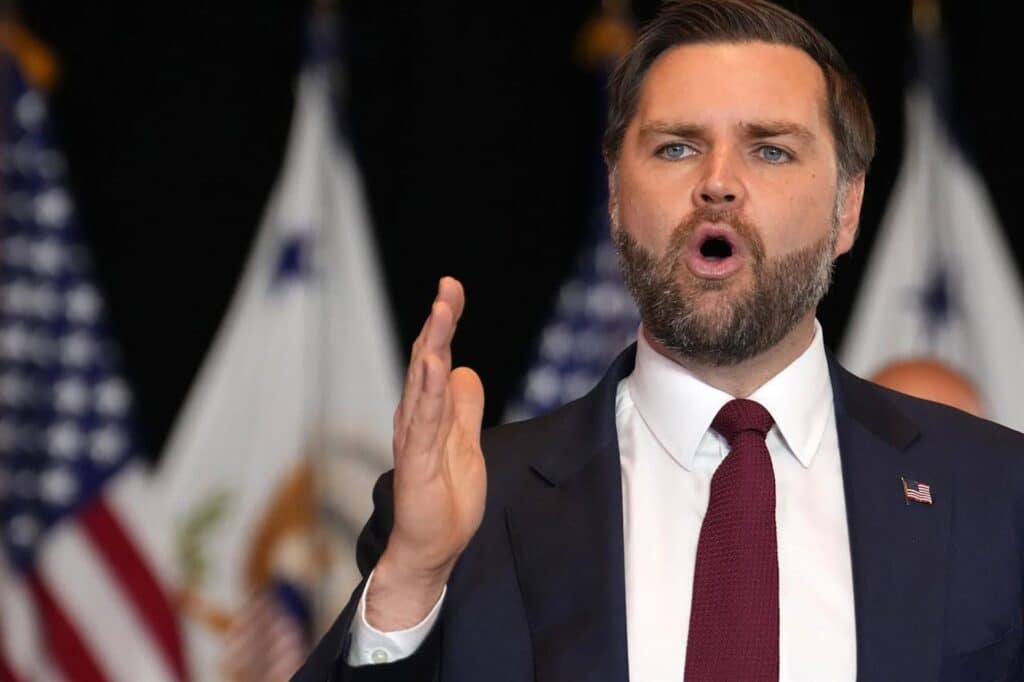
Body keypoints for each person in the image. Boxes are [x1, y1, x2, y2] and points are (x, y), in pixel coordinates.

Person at [296, 1, 1024, 680]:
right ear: (616, 198)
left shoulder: (999, 493)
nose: (718, 183)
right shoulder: (478, 504)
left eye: (770, 151)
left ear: (848, 208)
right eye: (677, 148)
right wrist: (414, 578)